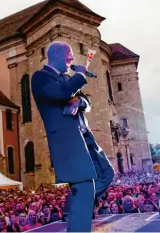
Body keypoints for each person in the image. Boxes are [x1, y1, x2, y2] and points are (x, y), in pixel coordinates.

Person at [31, 41, 114, 232]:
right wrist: (80, 74)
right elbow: (62, 94)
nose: (72, 58)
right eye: (69, 54)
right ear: (57, 54)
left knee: (106, 174)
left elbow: (86, 102)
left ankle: (74, 206)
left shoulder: (67, 79)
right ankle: (78, 219)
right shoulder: (41, 77)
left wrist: (79, 100)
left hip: (86, 140)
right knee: (85, 187)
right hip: (69, 143)